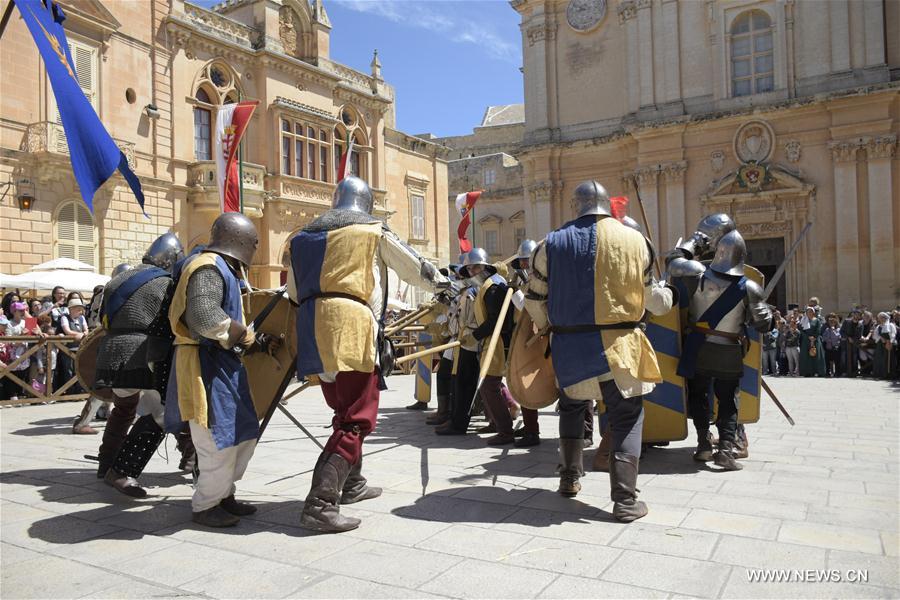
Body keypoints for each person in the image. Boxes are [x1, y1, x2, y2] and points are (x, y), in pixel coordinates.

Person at [287, 176, 452, 533]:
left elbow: (292, 290)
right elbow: (415, 267)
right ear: (367, 204)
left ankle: (352, 484)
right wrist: (444, 285)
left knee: (342, 411)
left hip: (312, 327)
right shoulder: (371, 230)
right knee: (356, 419)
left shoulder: (301, 238)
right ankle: (319, 504)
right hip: (351, 327)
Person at [525, 180, 674, 522]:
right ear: (608, 205)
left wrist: (550, 326)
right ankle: (624, 500)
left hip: (571, 348)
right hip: (622, 348)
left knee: (573, 409)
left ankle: (569, 478)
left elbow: (534, 300)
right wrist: (669, 296)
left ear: (575, 206)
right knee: (626, 417)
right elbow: (656, 302)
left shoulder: (551, 243)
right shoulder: (637, 241)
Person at [165, 214, 261, 528]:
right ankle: (206, 505)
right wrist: (242, 335)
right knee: (216, 439)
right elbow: (203, 317)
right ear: (243, 241)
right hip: (202, 365)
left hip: (223, 363)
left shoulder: (225, 269)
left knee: (242, 433)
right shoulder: (206, 266)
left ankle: (223, 494)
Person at [669, 217, 772, 471]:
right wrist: (757, 311)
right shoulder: (750, 287)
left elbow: (672, 261)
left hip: (697, 347)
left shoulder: (697, 274)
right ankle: (725, 450)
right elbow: (764, 326)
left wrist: (694, 243)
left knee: (698, 396)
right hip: (728, 351)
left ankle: (703, 444)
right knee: (728, 401)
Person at [93, 233, 184, 497]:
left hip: (111, 348)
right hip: (144, 352)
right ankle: (125, 470)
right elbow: (169, 321)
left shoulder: (119, 278)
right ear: (172, 258)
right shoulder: (164, 282)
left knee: (122, 410)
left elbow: (103, 317)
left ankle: (106, 462)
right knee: (163, 409)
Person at [509, 239, 541, 448]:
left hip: (541, 337)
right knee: (524, 385)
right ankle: (531, 428)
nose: (524, 266)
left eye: (526, 262)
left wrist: (516, 294)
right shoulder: (524, 281)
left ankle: (584, 431)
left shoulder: (542, 282)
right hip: (525, 338)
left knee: (569, 388)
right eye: (521, 263)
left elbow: (533, 309)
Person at [53, 298, 89, 395]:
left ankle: (79, 391)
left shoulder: (82, 318)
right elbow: (67, 331)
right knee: (68, 370)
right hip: (68, 349)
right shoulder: (64, 318)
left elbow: (86, 330)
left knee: (80, 370)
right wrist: (79, 334)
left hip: (80, 349)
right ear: (71, 309)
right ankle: (70, 392)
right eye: (78, 308)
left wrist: (83, 334)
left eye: (81, 309)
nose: (80, 311)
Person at [799, 307, 826, 377]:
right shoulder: (803, 320)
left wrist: (813, 338)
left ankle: (819, 371)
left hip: (815, 340)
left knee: (817, 356)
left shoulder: (817, 320)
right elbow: (801, 330)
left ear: (813, 312)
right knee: (806, 356)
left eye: (811, 311)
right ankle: (807, 372)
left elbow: (818, 330)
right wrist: (808, 337)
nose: (809, 313)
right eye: (808, 312)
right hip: (806, 340)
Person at [871, 312, 897, 380]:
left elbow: (893, 334)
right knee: (880, 359)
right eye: (880, 318)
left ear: (885, 318)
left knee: (889, 359)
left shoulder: (891, 325)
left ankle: (890, 374)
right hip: (880, 345)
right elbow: (875, 336)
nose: (881, 319)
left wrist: (890, 342)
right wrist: (880, 338)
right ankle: (881, 374)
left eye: (882, 318)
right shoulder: (878, 326)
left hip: (889, 344)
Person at [840, 308, 862, 377]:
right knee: (844, 357)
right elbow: (841, 331)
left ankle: (854, 371)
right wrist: (848, 338)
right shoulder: (846, 321)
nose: (856, 316)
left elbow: (859, 335)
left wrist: (853, 339)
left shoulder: (860, 324)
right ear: (853, 314)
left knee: (855, 357)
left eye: (858, 314)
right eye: (855, 314)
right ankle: (844, 371)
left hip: (855, 343)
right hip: (845, 343)